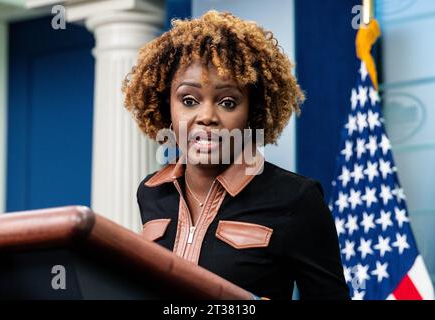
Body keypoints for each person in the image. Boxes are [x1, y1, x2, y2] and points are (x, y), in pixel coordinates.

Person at [123, 10, 350, 300]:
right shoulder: (151, 192)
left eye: (228, 102)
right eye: (189, 100)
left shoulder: (296, 199)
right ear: (166, 107)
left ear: (251, 114)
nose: (206, 116)